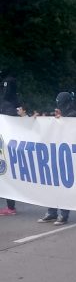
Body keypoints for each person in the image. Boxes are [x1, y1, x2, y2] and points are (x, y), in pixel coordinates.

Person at [37, 92, 76, 225]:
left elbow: (72, 125)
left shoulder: (73, 114)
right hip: (55, 152)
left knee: (64, 186)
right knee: (52, 185)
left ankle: (64, 214)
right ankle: (51, 212)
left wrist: (61, 118)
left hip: (67, 154)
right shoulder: (59, 115)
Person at [0, 76, 20, 216]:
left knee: (7, 174)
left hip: (8, 145)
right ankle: (10, 206)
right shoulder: (15, 102)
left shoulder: (7, 104)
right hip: (10, 144)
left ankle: (11, 207)